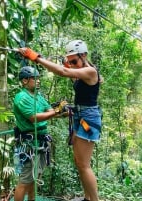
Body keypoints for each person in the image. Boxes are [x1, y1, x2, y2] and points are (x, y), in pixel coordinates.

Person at [18, 40, 102, 201]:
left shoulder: (90, 71)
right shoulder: (80, 72)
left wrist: (36, 57)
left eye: (74, 61)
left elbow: (62, 72)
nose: (72, 64)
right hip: (80, 116)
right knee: (79, 162)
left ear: (84, 55)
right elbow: (67, 72)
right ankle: (87, 198)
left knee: (84, 165)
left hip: (88, 118)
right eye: (69, 61)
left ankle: (95, 199)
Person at [13, 66, 66, 201]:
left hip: (41, 142)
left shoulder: (39, 97)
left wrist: (63, 112)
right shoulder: (21, 97)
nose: (38, 81)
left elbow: (49, 111)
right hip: (28, 143)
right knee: (25, 180)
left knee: (34, 178)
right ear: (25, 81)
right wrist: (55, 111)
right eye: (34, 79)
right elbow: (34, 117)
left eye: (38, 79)